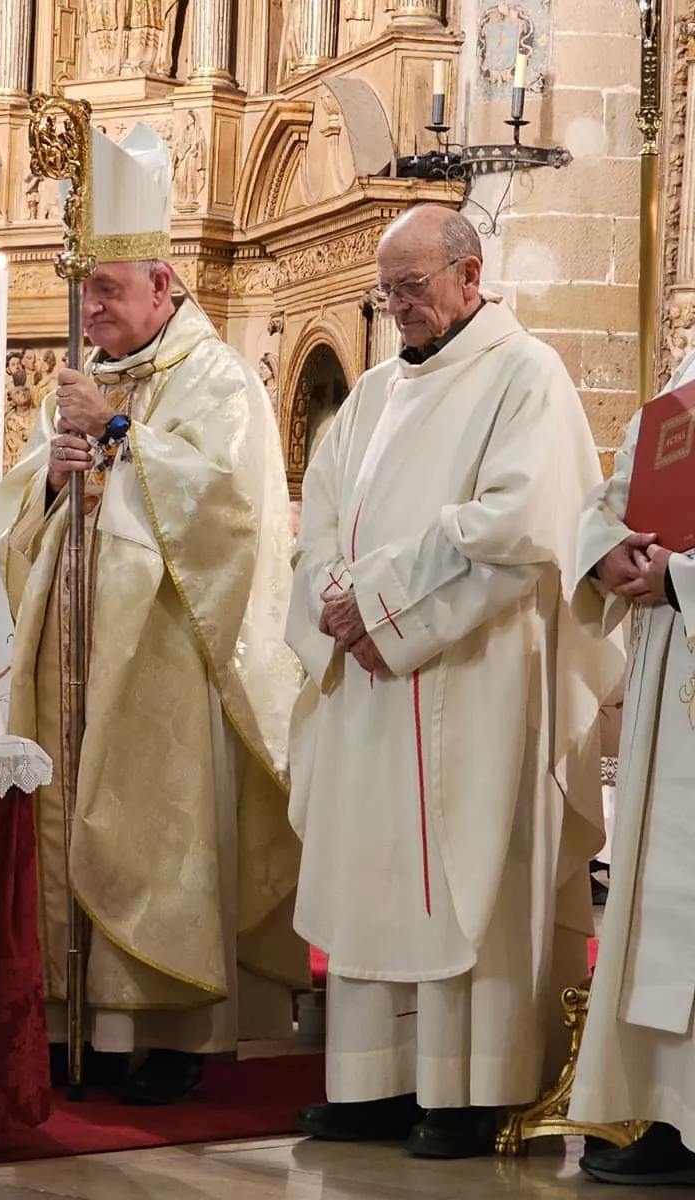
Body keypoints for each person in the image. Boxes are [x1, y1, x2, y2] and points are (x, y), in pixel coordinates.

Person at [286, 204, 621, 1158]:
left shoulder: (528, 377)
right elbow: (319, 517)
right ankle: (373, 1084)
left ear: (471, 277)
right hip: (372, 679)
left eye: (415, 288)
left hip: (475, 675)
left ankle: (473, 1091)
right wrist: (334, 600)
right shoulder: (375, 392)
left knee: (467, 868)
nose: (399, 309)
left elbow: (521, 528)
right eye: (387, 292)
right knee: (371, 870)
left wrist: (382, 606)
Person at [0, 123, 306, 1106]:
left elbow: (229, 504)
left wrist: (120, 439)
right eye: (86, 292)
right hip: (71, 633)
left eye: (108, 293)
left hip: (167, 648)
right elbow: (20, 505)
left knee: (162, 828)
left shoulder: (213, 378)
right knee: (60, 814)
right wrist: (49, 476)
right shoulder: (84, 381)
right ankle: (66, 1012)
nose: (90, 309)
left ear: (163, 287)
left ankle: (172, 1027)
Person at [567, 349, 695, 1185]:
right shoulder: (692, 363)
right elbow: (626, 476)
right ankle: (668, 1109)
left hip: (681, 618)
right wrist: (607, 550)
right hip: (668, 667)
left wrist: (680, 577)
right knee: (661, 899)